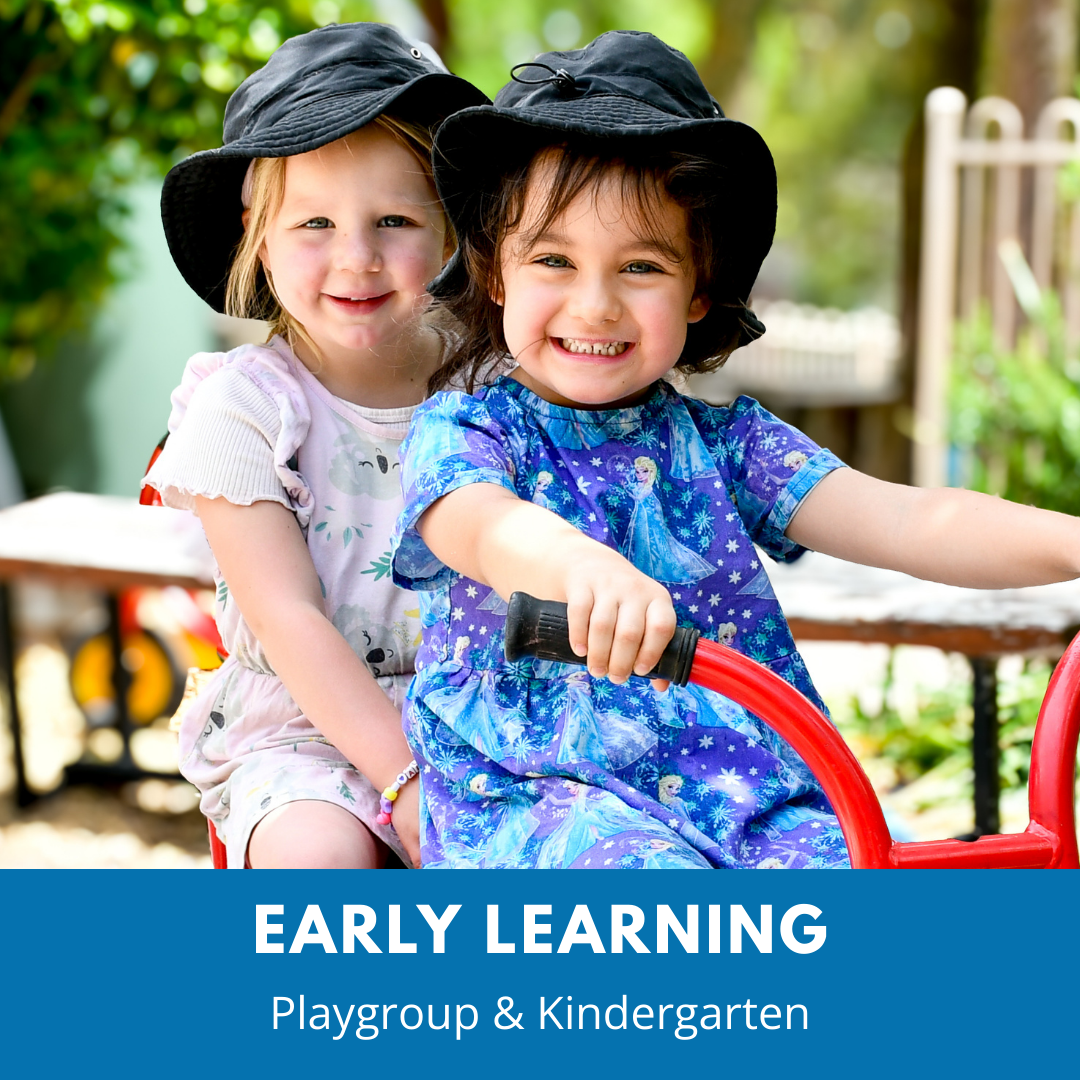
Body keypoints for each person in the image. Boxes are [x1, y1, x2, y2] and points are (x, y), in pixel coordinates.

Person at [389, 30, 1080, 870]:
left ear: (699, 287)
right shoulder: (468, 432)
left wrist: (1071, 544)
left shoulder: (727, 444)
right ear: (498, 274)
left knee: (880, 902)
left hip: (740, 791)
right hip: (541, 796)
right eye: (554, 260)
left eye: (640, 267)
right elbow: (484, 527)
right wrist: (583, 572)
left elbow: (912, 519)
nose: (596, 304)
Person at [142, 23, 487, 868]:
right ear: (257, 237)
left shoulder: (493, 383)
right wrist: (405, 784)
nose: (357, 257)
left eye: (395, 219)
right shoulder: (243, 412)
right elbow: (289, 619)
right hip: (303, 730)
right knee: (321, 859)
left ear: (448, 236)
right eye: (316, 224)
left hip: (483, 708)